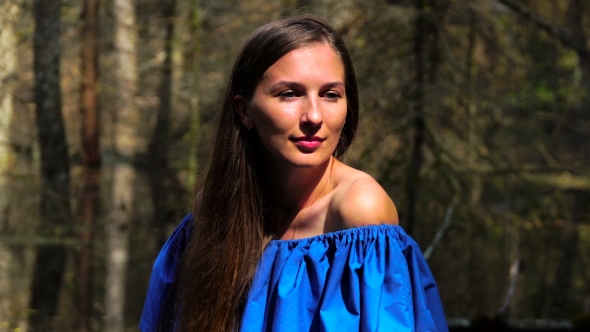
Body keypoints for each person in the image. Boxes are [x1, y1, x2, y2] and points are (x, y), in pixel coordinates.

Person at [140, 15, 448, 332]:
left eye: (330, 94)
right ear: (244, 110)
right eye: (289, 94)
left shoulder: (360, 214)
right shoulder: (216, 209)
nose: (314, 116)